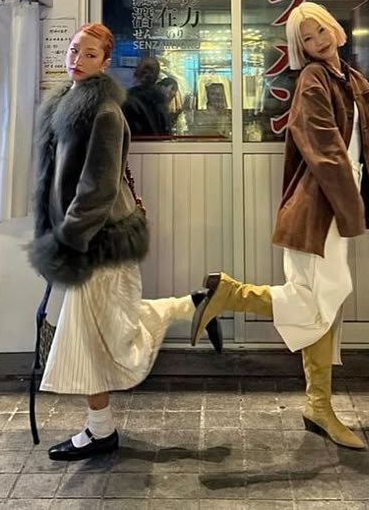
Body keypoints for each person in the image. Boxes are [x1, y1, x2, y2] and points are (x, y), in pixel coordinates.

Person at [190, 2, 369, 450]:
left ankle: (316, 402)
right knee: (321, 300)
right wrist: (350, 212)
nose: (318, 40)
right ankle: (232, 296)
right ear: (299, 47)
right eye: (307, 37)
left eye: (320, 30)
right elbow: (324, 150)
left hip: (329, 208)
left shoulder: (343, 74)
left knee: (319, 302)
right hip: (320, 209)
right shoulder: (313, 79)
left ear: (334, 28)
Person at [28, 23, 222, 462]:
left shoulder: (104, 112)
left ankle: (100, 431)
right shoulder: (68, 102)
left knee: (92, 339)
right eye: (75, 50)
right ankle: (196, 304)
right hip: (84, 240)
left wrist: (68, 240)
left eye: (90, 54)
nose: (77, 59)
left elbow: (96, 189)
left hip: (96, 242)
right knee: (106, 330)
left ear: (106, 60)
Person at [122, 55, 171, 138]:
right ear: (157, 75)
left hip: (137, 147)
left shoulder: (128, 99)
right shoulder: (162, 98)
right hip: (160, 147)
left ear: (136, 73)